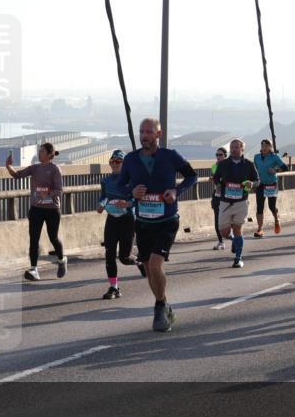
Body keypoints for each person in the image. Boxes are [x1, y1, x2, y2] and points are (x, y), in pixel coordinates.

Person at [116, 118, 198, 332]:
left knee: (154, 264)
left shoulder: (170, 156)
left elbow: (192, 176)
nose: (144, 136)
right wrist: (131, 193)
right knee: (147, 267)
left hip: (167, 221)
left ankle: (160, 306)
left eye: (149, 132)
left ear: (158, 135)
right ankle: (164, 304)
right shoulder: (131, 159)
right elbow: (120, 184)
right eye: (142, 132)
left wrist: (175, 192)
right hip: (142, 222)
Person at [6, 142, 66, 281]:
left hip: (52, 209)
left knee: (53, 238)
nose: (39, 154)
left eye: (42, 152)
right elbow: (17, 175)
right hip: (36, 209)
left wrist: (49, 194)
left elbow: (59, 191)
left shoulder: (55, 169)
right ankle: (34, 270)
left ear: (50, 155)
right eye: (39, 151)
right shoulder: (34, 168)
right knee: (34, 240)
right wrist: (8, 166)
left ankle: (62, 261)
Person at [96, 149, 136, 299]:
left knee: (124, 258)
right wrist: (101, 204)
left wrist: (127, 204)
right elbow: (104, 196)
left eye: (118, 161)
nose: (114, 164)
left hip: (127, 220)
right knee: (109, 254)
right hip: (112, 220)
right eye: (112, 162)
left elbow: (137, 201)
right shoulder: (106, 181)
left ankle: (139, 262)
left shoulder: (132, 181)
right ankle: (114, 287)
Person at [213, 139, 259, 268]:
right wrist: (217, 185)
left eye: (236, 147)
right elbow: (216, 177)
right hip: (225, 202)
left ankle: (238, 258)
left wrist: (252, 184)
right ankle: (233, 239)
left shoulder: (249, 164)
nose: (233, 149)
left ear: (242, 149)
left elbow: (257, 180)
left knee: (238, 229)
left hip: (241, 201)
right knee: (224, 233)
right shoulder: (223, 164)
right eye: (232, 147)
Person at [252, 139, 288, 237]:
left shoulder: (275, 157)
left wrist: (275, 170)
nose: (264, 148)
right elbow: (254, 170)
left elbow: (286, 168)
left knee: (272, 206)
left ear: (270, 147)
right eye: (262, 146)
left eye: (266, 146)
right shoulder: (257, 157)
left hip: (271, 184)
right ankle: (260, 229)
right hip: (260, 184)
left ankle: (277, 220)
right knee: (260, 207)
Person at [211, 146, 228, 250]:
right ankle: (221, 241)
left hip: (227, 195)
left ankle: (232, 237)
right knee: (217, 219)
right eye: (217, 155)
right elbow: (215, 178)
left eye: (220, 155)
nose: (218, 157)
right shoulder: (214, 166)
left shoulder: (229, 166)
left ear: (226, 156)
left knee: (227, 219)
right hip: (217, 195)